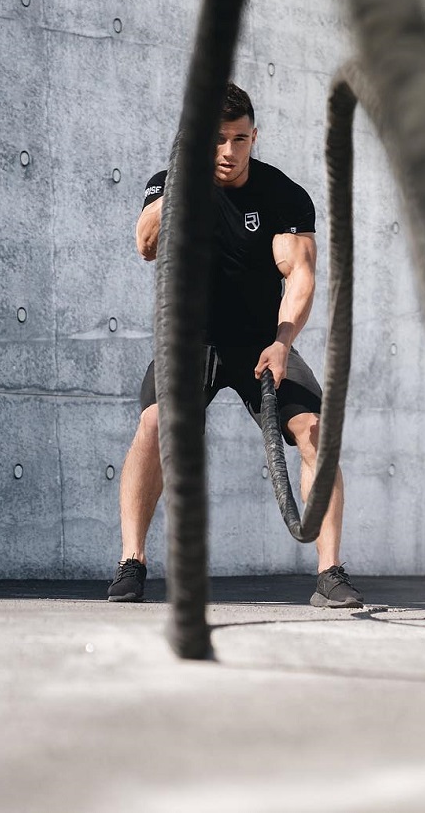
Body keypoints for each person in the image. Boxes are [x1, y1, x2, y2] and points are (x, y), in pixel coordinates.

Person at [107, 82, 363, 609]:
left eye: (240, 139)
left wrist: (282, 341)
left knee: (317, 431)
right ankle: (132, 561)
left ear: (253, 136)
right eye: (218, 139)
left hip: (258, 344)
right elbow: (147, 246)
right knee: (154, 424)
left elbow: (300, 275)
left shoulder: (282, 196)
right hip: (190, 341)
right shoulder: (170, 184)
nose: (229, 152)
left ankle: (331, 572)